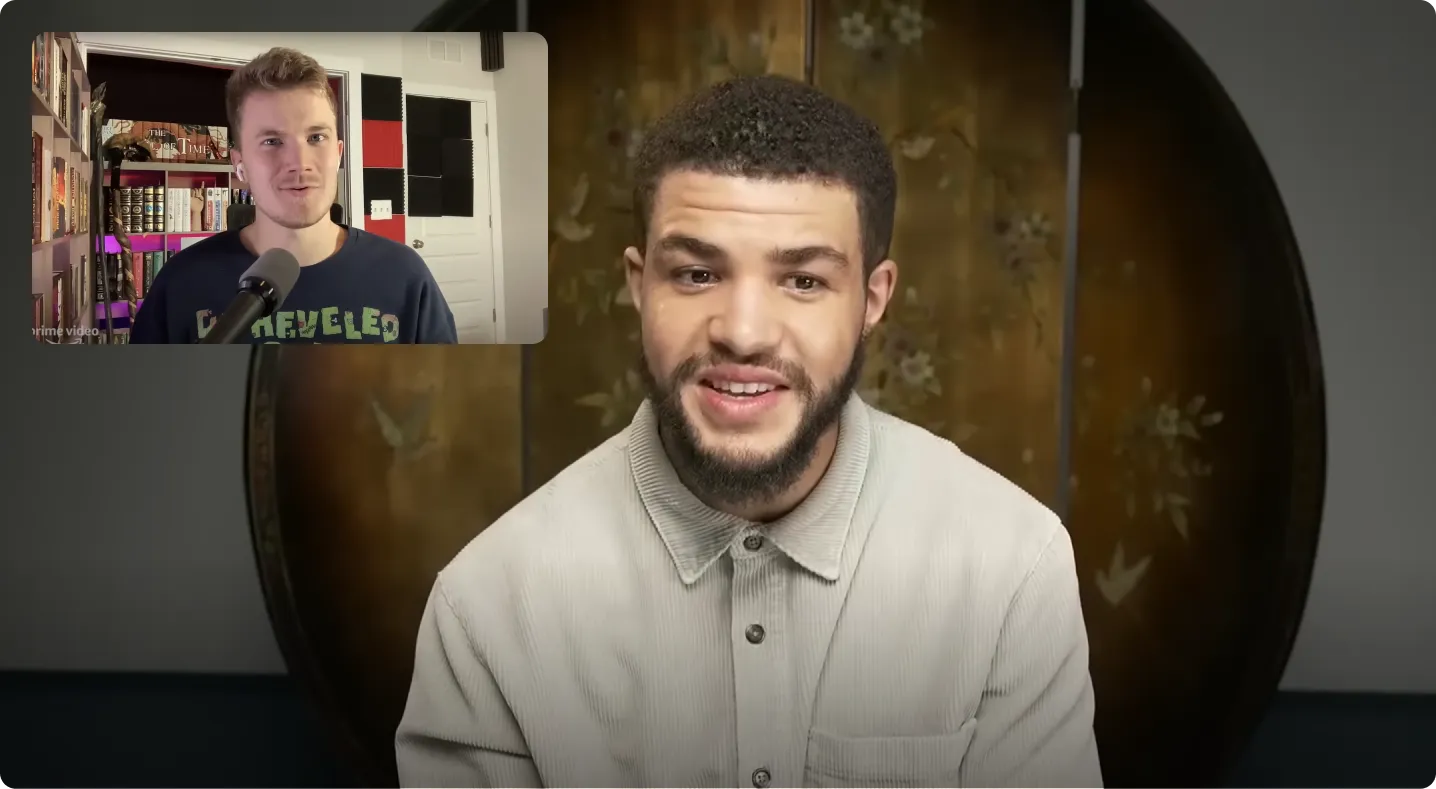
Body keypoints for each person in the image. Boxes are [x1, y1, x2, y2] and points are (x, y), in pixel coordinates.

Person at [395, 75, 1103, 788]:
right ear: (640, 285)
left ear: (873, 299)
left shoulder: (1012, 566)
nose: (742, 333)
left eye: (803, 282)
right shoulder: (489, 606)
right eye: (698, 273)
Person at [129, 47, 455, 344]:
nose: (299, 164)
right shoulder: (182, 282)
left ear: (339, 153)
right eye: (272, 141)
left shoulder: (406, 277)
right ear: (240, 166)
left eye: (316, 137)